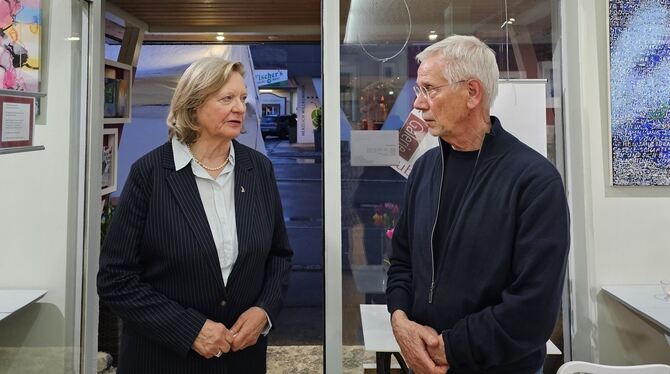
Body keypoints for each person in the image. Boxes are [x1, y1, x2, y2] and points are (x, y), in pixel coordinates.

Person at [385, 35, 570, 374]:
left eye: (429, 89)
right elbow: (402, 262)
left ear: (472, 92)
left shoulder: (535, 182)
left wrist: (448, 348)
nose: (419, 104)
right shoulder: (425, 170)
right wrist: (400, 321)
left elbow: (533, 310)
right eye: (418, 91)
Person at [97, 57, 293, 373]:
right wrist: (188, 329)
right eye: (227, 98)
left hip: (242, 360)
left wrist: (264, 310)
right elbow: (115, 279)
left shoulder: (258, 170)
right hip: (163, 361)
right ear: (193, 105)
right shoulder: (150, 174)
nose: (240, 108)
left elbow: (279, 256)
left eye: (243, 98)